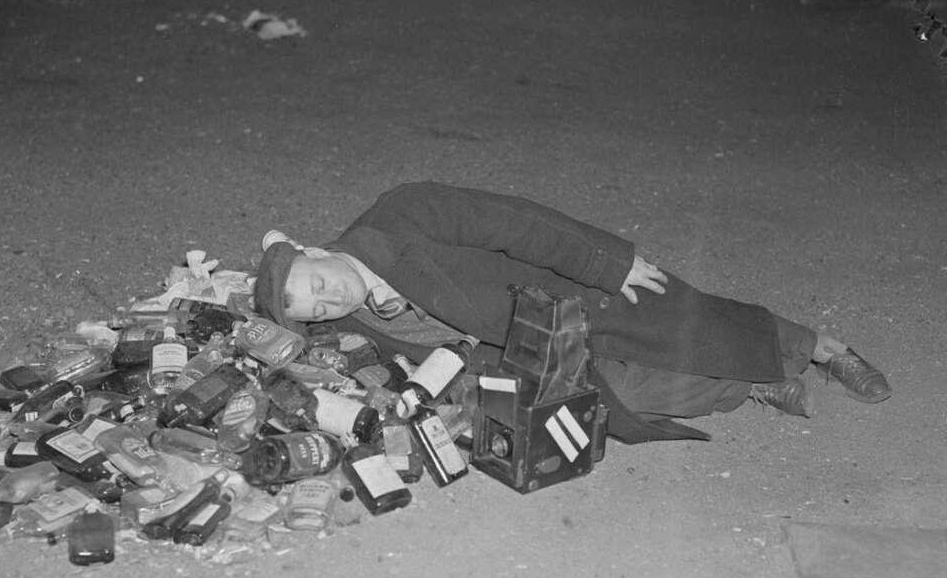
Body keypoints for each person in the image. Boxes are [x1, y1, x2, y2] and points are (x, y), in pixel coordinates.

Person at [254, 181, 890, 443]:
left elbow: (517, 224)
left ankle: (823, 348)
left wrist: (607, 263)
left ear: (313, 250)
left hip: (562, 291)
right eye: (310, 308)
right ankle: (755, 384)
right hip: (527, 349)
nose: (325, 300)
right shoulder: (352, 326)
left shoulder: (400, 216)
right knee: (633, 396)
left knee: (688, 320)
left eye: (314, 282)